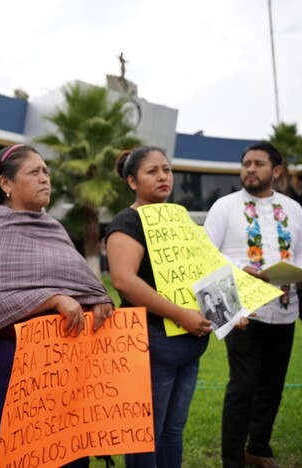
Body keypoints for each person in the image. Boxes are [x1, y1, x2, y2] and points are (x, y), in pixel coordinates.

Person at [0, 144, 115, 468]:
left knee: (65, 452)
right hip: (11, 368)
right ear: (6, 184)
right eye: (35, 172)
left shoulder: (54, 228)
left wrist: (97, 299)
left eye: (46, 171)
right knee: (15, 453)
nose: (45, 179)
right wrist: (52, 299)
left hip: (67, 368)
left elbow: (81, 281)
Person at [104, 146, 246, 468]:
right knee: (146, 434)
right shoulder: (126, 222)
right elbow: (124, 281)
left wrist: (230, 312)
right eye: (152, 171)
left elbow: (203, 271)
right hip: (152, 343)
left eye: (166, 169)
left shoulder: (181, 219)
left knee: (172, 430)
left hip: (191, 345)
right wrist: (179, 314)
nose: (163, 176)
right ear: (131, 181)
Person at [204, 141, 302, 468]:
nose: (250, 169)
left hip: (284, 309)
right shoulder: (224, 206)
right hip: (243, 311)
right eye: (246, 163)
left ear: (276, 171)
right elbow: (206, 254)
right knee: (242, 388)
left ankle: (259, 448)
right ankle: (232, 459)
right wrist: (242, 268)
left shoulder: (292, 208)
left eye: (258, 163)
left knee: (272, 384)